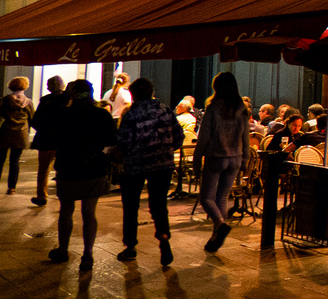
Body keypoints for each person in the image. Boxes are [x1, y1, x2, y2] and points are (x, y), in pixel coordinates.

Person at [46, 80, 118, 272]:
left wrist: (63, 99)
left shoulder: (63, 114)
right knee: (89, 212)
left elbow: (48, 128)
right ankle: (87, 252)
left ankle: (63, 249)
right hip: (93, 166)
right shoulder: (101, 114)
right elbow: (112, 139)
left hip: (68, 165)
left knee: (66, 210)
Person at [115, 78, 180, 266]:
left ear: (134, 94)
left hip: (136, 165)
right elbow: (178, 137)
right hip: (163, 164)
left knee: (131, 205)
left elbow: (124, 142)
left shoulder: (131, 113)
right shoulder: (165, 110)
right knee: (159, 204)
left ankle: (130, 246)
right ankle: (164, 236)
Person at [194, 72, 251, 253]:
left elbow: (203, 137)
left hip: (215, 157)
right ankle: (215, 237)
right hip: (235, 157)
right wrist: (245, 159)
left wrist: (197, 159)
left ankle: (220, 224)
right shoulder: (242, 108)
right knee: (222, 198)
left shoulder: (213, 107)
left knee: (206, 198)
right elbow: (245, 137)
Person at [0, 76, 34, 194]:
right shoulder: (28, 102)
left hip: (5, 132)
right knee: (15, 160)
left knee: (0, 159)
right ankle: (12, 187)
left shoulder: (4, 100)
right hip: (20, 134)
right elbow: (33, 119)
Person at [29, 76, 69, 206]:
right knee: (63, 168)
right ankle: (63, 194)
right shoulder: (68, 100)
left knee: (44, 170)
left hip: (46, 140)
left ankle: (42, 195)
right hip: (64, 140)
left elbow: (36, 121)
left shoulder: (45, 101)